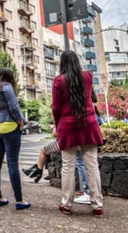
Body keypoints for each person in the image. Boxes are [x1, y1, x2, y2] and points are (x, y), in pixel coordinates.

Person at [52, 50, 103, 217]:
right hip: (89, 124)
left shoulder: (58, 81)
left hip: (68, 126)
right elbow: (90, 97)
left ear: (62, 63)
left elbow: (56, 108)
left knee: (68, 166)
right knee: (92, 165)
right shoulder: (87, 76)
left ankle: (66, 204)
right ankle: (97, 205)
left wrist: (57, 125)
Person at [0, 68, 31, 210]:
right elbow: (14, 107)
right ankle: (19, 200)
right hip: (10, 127)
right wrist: (20, 121)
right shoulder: (6, 87)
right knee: (12, 164)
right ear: (10, 77)